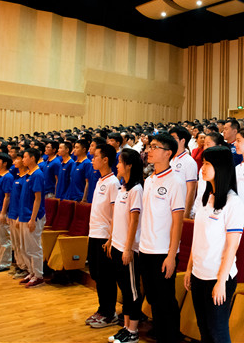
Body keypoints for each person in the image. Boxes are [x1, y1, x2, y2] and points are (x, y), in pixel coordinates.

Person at [184, 146, 244, 343]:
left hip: (218, 277)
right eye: (203, 163)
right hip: (199, 274)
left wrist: (221, 282)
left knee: (218, 332)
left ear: (220, 167)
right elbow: (198, 237)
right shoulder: (206, 198)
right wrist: (189, 269)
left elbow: (232, 246)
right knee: (204, 330)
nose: (202, 168)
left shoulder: (233, 203)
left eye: (207, 164)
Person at [139, 133, 186, 343]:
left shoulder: (176, 181)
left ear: (168, 153)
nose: (149, 150)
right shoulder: (149, 180)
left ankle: (172, 337)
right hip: (146, 249)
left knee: (166, 300)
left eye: (155, 147)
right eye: (149, 146)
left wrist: (171, 255)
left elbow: (178, 222)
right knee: (153, 299)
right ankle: (160, 335)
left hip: (163, 252)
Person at [107, 148, 144, 343]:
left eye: (120, 162)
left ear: (129, 165)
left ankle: (133, 330)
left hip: (127, 249)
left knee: (132, 291)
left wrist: (128, 248)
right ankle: (126, 327)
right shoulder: (123, 188)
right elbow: (117, 218)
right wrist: (111, 239)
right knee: (124, 288)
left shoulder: (136, 190)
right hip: (116, 245)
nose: (117, 166)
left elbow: (134, 221)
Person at [85, 143, 121, 328]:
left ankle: (109, 313)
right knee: (97, 274)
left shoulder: (113, 183)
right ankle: (102, 309)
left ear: (105, 159)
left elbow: (116, 213)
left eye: (95, 157)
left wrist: (111, 238)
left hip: (105, 237)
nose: (92, 160)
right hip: (94, 234)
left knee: (106, 276)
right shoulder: (100, 181)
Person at [18, 148, 46, 288]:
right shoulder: (28, 174)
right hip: (25, 215)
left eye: (25, 157)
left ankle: (39, 275)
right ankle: (32, 272)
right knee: (26, 247)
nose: (23, 159)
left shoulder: (38, 174)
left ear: (32, 158)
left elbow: (38, 198)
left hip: (33, 216)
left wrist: (33, 218)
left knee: (35, 247)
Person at [6, 151, 29, 279]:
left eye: (18, 159)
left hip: (19, 215)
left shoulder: (26, 178)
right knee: (15, 244)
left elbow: (24, 200)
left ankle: (25, 267)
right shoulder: (17, 177)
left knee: (21, 244)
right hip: (12, 213)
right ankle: (19, 265)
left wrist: (19, 215)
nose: (15, 161)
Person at [169, 126, 198, 219]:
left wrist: (186, 214)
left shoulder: (189, 162)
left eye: (173, 138)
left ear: (183, 141)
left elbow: (191, 190)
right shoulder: (170, 159)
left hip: (180, 209)